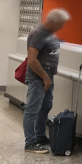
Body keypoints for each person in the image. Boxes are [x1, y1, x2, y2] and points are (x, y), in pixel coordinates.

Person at [23, 9, 70, 154]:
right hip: (38, 79)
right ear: (53, 22)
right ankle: (30, 143)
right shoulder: (39, 33)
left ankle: (40, 136)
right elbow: (32, 59)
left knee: (46, 107)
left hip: (47, 78)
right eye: (61, 24)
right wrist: (44, 77)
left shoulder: (50, 33)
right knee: (32, 110)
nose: (62, 27)